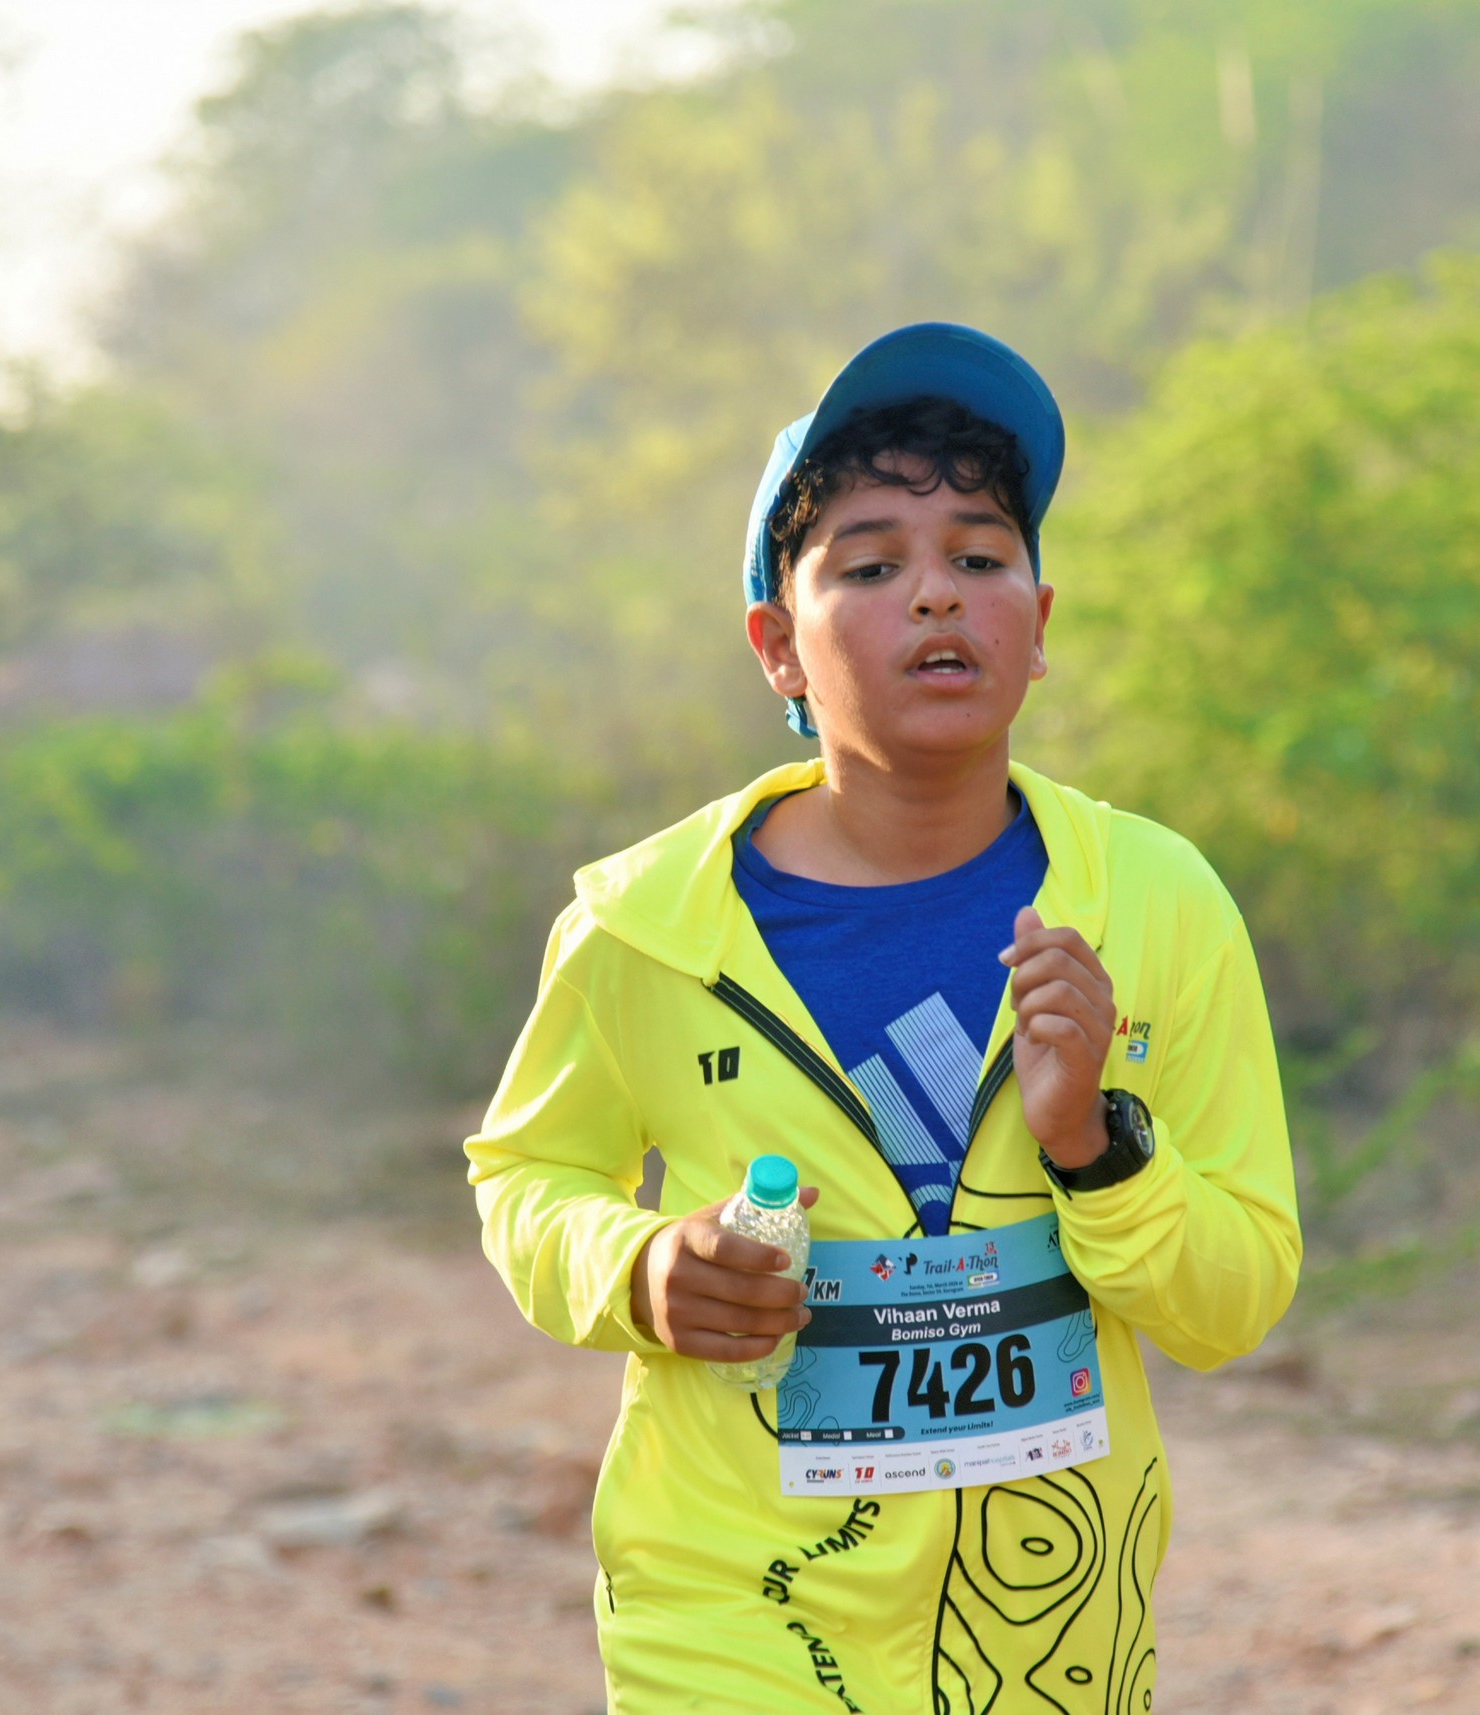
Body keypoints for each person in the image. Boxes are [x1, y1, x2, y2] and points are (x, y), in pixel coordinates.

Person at [466, 322, 1300, 1712]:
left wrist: (1097, 1148)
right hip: (735, 1622)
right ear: (777, 646)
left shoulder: (1156, 902)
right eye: (868, 566)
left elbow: (1234, 1300)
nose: (934, 595)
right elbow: (527, 1177)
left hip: (1046, 1631)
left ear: (1040, 623)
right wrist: (642, 1268)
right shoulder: (650, 925)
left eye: (980, 557)